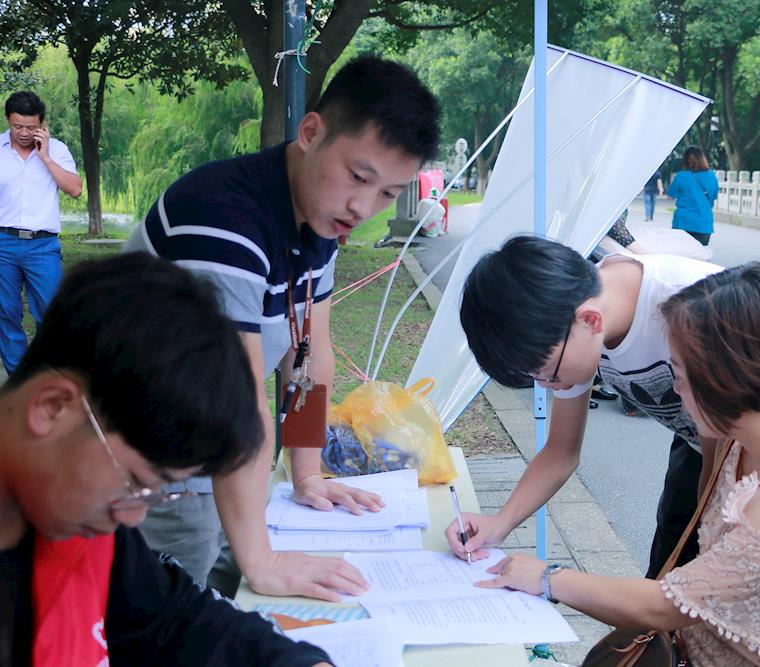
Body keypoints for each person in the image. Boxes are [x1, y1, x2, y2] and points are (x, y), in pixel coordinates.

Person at [123, 55, 440, 600]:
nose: (363, 206)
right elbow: (238, 399)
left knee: (242, 596)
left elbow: (310, 358)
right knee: (174, 612)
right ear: (311, 132)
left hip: (210, 455)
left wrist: (308, 473)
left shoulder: (317, 218)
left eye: (388, 194)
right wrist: (262, 561)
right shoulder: (222, 218)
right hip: (144, 468)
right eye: (358, 176)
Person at [476, 262, 760, 667]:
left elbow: (667, 605)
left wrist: (547, 578)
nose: (673, 389)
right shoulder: (737, 434)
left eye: (680, 374)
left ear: (729, 374)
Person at [450, 237, 760, 577]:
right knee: (672, 562)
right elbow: (561, 450)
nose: (546, 385)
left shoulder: (683, 307)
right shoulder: (568, 321)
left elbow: (721, 456)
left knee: (717, 591)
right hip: (705, 437)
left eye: (546, 373)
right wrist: (499, 523)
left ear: (590, 321)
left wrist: (550, 581)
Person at [0, 252, 332, 666]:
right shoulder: (70, 508)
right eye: (136, 482)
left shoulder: (72, 516)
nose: (133, 517)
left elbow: (171, 619)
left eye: (155, 493)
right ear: (52, 407)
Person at [0, 91, 82, 374]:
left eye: (30, 127)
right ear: (8, 120)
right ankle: (19, 381)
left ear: (42, 124)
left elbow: (75, 189)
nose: (24, 133)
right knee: (6, 313)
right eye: (17, 126)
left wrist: (44, 156)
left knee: (51, 314)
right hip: (3, 244)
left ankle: (49, 377)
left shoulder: (57, 149)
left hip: (42, 246)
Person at [667, 146, 718, 246]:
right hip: (704, 223)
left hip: (683, 222)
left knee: (681, 253)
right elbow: (713, 197)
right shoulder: (711, 176)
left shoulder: (681, 176)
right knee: (700, 253)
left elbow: (670, 196)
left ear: (686, 160)